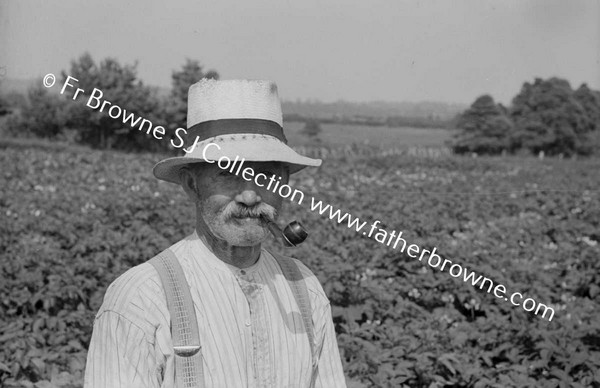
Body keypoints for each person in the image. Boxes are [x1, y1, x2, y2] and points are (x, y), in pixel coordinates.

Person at [84, 79, 347, 387]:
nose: (249, 196)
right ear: (192, 185)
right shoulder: (141, 298)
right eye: (227, 174)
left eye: (266, 177)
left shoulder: (304, 288)